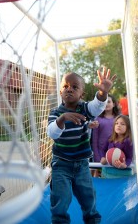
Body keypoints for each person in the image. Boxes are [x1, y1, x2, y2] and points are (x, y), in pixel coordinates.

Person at [47, 67, 116, 224]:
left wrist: (103, 93)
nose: (69, 89)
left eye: (74, 87)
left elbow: (96, 106)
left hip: (82, 165)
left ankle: (92, 219)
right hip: (61, 164)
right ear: (60, 92)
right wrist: (62, 119)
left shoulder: (85, 109)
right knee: (60, 198)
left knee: (88, 197)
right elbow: (52, 133)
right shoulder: (56, 113)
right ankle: (59, 221)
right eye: (65, 86)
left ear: (81, 94)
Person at [91, 94, 120, 176]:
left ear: (114, 104)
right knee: (100, 174)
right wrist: (97, 157)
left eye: (109, 102)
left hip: (116, 152)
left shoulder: (118, 119)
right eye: (105, 102)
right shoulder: (98, 119)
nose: (107, 104)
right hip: (101, 153)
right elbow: (95, 140)